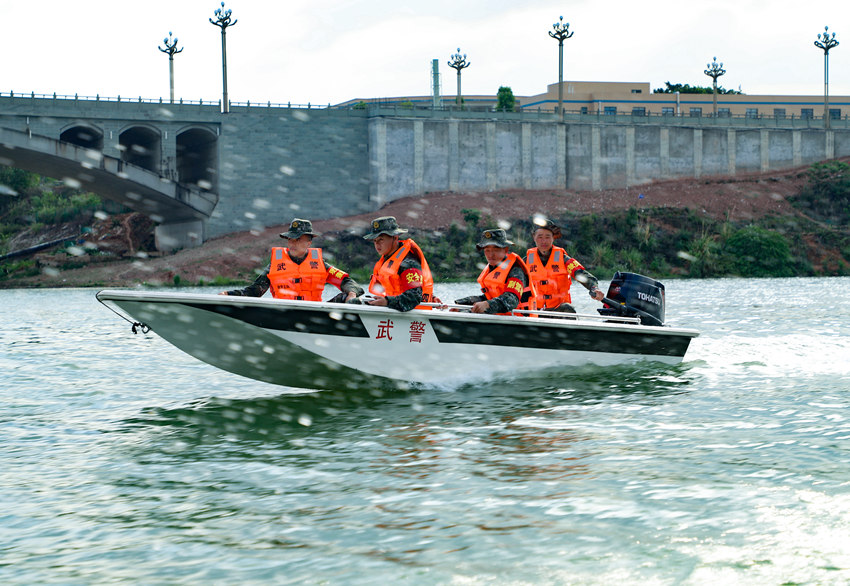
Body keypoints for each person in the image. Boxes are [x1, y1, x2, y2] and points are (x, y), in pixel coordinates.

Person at [220, 218, 363, 302]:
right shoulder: (274, 266)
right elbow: (254, 291)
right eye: (290, 239)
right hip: (283, 312)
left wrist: (352, 293)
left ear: (309, 243)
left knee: (347, 297)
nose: (292, 243)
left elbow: (347, 281)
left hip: (315, 312)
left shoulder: (321, 265)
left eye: (298, 239)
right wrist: (228, 294)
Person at [348, 216, 435, 312]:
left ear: (395, 237)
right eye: (375, 240)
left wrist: (387, 302)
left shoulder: (409, 264)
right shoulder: (387, 259)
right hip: (396, 312)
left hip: (415, 316)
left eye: (381, 239)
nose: (377, 244)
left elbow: (414, 297)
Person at [525, 218, 604, 312]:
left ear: (553, 237)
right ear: (534, 237)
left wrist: (594, 288)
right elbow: (514, 279)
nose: (544, 241)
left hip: (559, 310)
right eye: (540, 237)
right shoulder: (526, 261)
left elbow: (580, 274)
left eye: (547, 237)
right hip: (535, 310)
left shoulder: (563, 259)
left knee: (568, 309)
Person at [454, 228, 537, 315]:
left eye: (495, 250)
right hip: (501, 318)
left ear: (505, 250)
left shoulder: (515, 269)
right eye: (487, 250)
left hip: (520, 320)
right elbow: (487, 297)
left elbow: (511, 300)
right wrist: (460, 304)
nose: (491, 255)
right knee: (461, 312)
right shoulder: (492, 268)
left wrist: (487, 304)